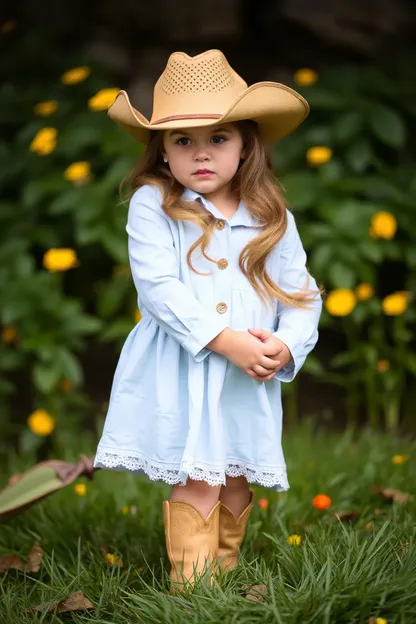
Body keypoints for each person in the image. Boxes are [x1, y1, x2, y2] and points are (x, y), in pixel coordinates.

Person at [94, 49, 323, 593]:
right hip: (186, 362)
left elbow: (302, 294)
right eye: (183, 141)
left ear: (246, 145)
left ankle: (221, 571)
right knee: (199, 474)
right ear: (162, 152)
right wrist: (225, 340)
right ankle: (192, 590)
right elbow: (159, 290)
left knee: (237, 472)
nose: (201, 154)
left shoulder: (270, 215)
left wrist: (285, 346)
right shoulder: (153, 204)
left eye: (218, 138)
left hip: (247, 373)